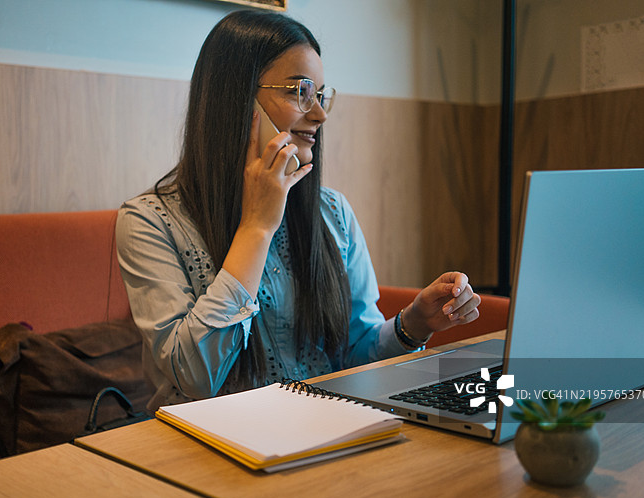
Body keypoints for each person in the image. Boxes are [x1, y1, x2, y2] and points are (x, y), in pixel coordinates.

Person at [116, 10, 481, 411]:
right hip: (206, 449)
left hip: (322, 433)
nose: (320, 114)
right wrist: (256, 229)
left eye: (321, 94)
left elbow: (355, 356)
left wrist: (414, 324)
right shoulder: (149, 221)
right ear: (234, 99)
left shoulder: (333, 212)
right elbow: (195, 377)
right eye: (299, 91)